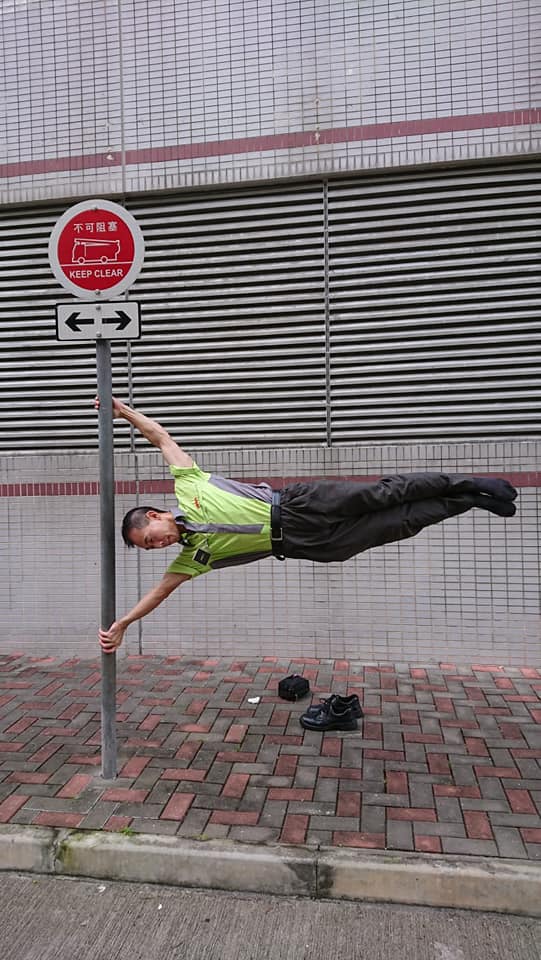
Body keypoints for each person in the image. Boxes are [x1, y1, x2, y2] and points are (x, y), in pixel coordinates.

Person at [97, 398, 517, 660]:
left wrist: (122, 412)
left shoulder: (188, 483)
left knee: (384, 494)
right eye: (154, 549)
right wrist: (124, 624)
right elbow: (160, 591)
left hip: (299, 502)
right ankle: (469, 502)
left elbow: (160, 437)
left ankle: (468, 483)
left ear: (155, 515)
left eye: (154, 538)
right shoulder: (195, 558)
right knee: (397, 524)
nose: (162, 544)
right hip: (303, 542)